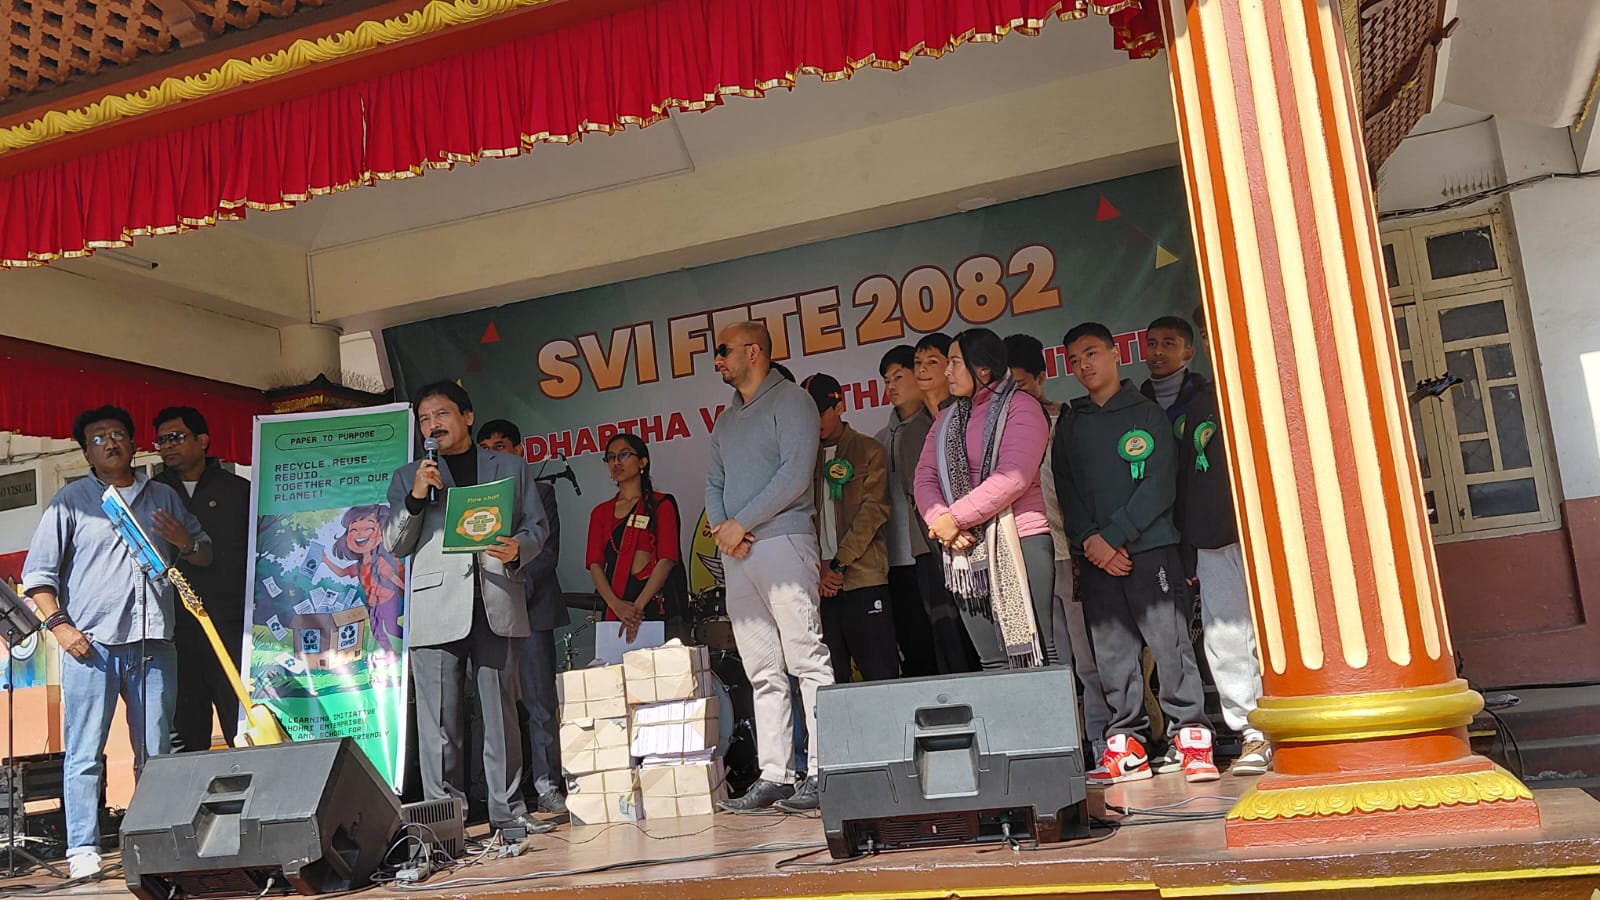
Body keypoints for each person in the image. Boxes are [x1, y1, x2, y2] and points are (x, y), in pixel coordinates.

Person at [23, 406, 211, 879]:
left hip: (155, 643)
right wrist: (61, 628)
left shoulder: (163, 495)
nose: (110, 442)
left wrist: (184, 542)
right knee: (85, 752)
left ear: (133, 443)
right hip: (91, 647)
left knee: (156, 753)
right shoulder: (70, 501)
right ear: (87, 453)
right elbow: (38, 578)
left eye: (118, 434)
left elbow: (204, 552)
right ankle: (83, 848)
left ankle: (155, 840)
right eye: (98, 438)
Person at [384, 383, 553, 839]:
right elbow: (395, 543)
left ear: (468, 416)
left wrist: (519, 549)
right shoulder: (408, 476)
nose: (432, 425)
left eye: (441, 414)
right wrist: (415, 498)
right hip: (437, 607)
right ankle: (445, 823)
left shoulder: (510, 467)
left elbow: (536, 526)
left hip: (496, 598)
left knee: (500, 714)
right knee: (439, 723)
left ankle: (508, 811)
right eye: (424, 419)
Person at [1053, 323, 1217, 785]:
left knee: (1171, 646)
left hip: (1150, 550)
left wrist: (1116, 536)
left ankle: (1192, 738)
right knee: (1112, 654)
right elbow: (1066, 489)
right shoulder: (1072, 422)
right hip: (1097, 558)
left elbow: (1161, 484)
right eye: (1074, 360)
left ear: (1115, 355)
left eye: (1091, 353)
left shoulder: (1147, 414)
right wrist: (1092, 541)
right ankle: (1128, 744)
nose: (1084, 365)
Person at [705, 321, 834, 814]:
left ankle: (823, 770)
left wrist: (741, 524)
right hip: (738, 551)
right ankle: (777, 774)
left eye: (724, 350)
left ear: (754, 352)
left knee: (806, 659)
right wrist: (726, 530)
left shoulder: (793, 401)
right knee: (761, 669)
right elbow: (713, 480)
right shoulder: (725, 419)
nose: (718, 360)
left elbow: (795, 475)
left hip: (783, 541)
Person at [914, 328, 1055, 669]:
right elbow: (925, 476)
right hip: (963, 551)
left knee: (1038, 653)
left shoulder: (1022, 407)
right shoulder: (947, 418)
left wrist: (954, 519)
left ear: (983, 369)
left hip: (1021, 539)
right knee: (991, 662)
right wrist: (940, 520)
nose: (947, 372)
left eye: (954, 363)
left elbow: (1013, 476)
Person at [1003, 336, 1113, 764]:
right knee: (1053, 658)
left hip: (1074, 554)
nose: (1016, 395)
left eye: (1022, 384)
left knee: (1088, 657)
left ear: (1043, 377)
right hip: (1033, 557)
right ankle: (1066, 745)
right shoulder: (1004, 431)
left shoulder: (1066, 421)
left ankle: (1104, 736)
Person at [1181, 307, 1270, 776]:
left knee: (1281, 636)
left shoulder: (1275, 387)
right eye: (1208, 333)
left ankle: (1300, 722)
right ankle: (1254, 732)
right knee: (1226, 636)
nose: (1214, 340)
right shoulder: (1200, 402)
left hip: (1273, 536)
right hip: (1216, 536)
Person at [477, 419, 569, 815]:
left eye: (500, 446)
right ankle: (495, 794)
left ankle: (548, 786)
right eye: (485, 448)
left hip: (530, 610)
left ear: (519, 451)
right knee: (492, 710)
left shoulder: (542, 493)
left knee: (540, 703)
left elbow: (545, 555)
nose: (492, 454)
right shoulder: (474, 500)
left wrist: (511, 594)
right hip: (488, 617)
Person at [151, 406, 251, 754]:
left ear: (203, 440)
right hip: (174, 633)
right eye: (161, 441)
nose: (168, 446)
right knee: (183, 737)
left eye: (176, 437)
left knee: (242, 727)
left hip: (231, 628)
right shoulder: (152, 494)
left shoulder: (239, 491)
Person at [803, 373, 899, 683]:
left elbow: (873, 512)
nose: (814, 421)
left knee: (880, 676)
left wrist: (838, 563)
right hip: (818, 585)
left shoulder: (868, 449)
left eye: (820, 412)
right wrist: (817, 568)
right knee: (830, 682)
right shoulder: (801, 459)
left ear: (839, 406)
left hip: (862, 578)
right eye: (807, 414)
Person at [909, 332, 978, 673]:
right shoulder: (914, 427)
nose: (923, 369)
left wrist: (961, 524)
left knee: (982, 629)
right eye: (918, 363)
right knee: (947, 632)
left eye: (933, 362)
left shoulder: (969, 411)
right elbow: (919, 486)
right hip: (936, 542)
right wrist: (942, 526)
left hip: (974, 535)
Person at [873, 346, 937, 677]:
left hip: (934, 551)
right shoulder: (878, 441)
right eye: (887, 380)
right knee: (914, 646)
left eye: (899, 376)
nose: (892, 386)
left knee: (950, 640)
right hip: (895, 561)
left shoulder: (936, 425)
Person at [586, 433, 687, 642]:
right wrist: (616, 605)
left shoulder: (662, 504)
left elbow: (667, 559)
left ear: (642, 462)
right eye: (610, 457)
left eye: (624, 455)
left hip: (655, 603)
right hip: (617, 605)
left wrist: (637, 609)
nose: (616, 462)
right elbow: (595, 565)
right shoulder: (600, 513)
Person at [322, 505, 406, 655]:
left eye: (369, 528)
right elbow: (342, 573)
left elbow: (394, 577)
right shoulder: (359, 565)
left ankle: (412, 640)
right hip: (372, 604)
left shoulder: (380, 561)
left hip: (388, 600)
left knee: (391, 628)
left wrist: (408, 591)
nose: (360, 534)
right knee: (377, 630)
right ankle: (390, 653)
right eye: (354, 530)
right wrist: (326, 560)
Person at [1140, 315, 1209, 426]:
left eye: (1168, 344)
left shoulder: (1206, 396)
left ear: (1188, 353)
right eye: (1151, 344)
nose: (1158, 352)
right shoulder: (1138, 401)